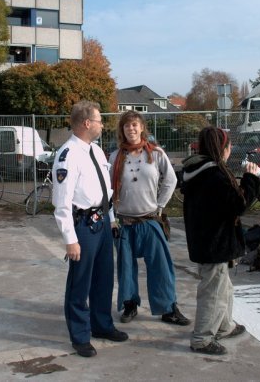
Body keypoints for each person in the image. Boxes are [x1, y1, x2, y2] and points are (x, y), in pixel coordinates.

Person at [52, 100, 128, 358]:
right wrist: (70, 239)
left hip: (103, 221)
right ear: (87, 123)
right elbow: (61, 203)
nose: (102, 124)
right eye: (99, 120)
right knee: (80, 282)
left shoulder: (95, 151)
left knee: (104, 278)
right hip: (82, 225)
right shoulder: (68, 155)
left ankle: (102, 325)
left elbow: (104, 190)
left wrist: (112, 218)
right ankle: (80, 335)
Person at [181, 127, 260, 355]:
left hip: (208, 240)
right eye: (229, 145)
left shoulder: (198, 170)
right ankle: (202, 339)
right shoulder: (213, 174)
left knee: (223, 287)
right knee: (213, 291)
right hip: (213, 243)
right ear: (221, 148)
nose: (231, 149)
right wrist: (251, 178)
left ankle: (224, 326)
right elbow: (239, 204)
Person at [109, 110, 190, 326]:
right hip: (125, 221)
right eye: (127, 126)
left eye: (135, 125)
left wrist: (160, 205)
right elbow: (106, 191)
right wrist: (111, 218)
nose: (131, 129)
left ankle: (167, 308)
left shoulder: (156, 154)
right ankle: (129, 305)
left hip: (150, 220)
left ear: (142, 127)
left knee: (161, 266)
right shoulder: (115, 157)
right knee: (126, 268)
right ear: (122, 130)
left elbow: (171, 180)